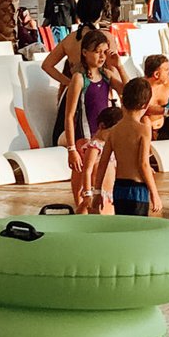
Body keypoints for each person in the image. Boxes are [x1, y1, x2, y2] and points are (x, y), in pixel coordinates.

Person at [60, 28, 115, 211]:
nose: (101, 56)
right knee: (83, 191)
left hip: (103, 139)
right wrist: (71, 149)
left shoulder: (107, 76)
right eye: (97, 52)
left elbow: (128, 93)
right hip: (85, 138)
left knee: (101, 190)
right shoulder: (79, 78)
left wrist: (119, 67)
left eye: (104, 52)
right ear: (85, 52)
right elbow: (69, 115)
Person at [93, 77, 163, 217]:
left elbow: (102, 163)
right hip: (137, 190)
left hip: (118, 188)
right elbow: (143, 164)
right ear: (146, 105)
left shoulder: (114, 130)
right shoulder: (143, 130)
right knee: (138, 231)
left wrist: (97, 192)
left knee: (123, 228)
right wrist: (155, 194)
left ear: (123, 101)